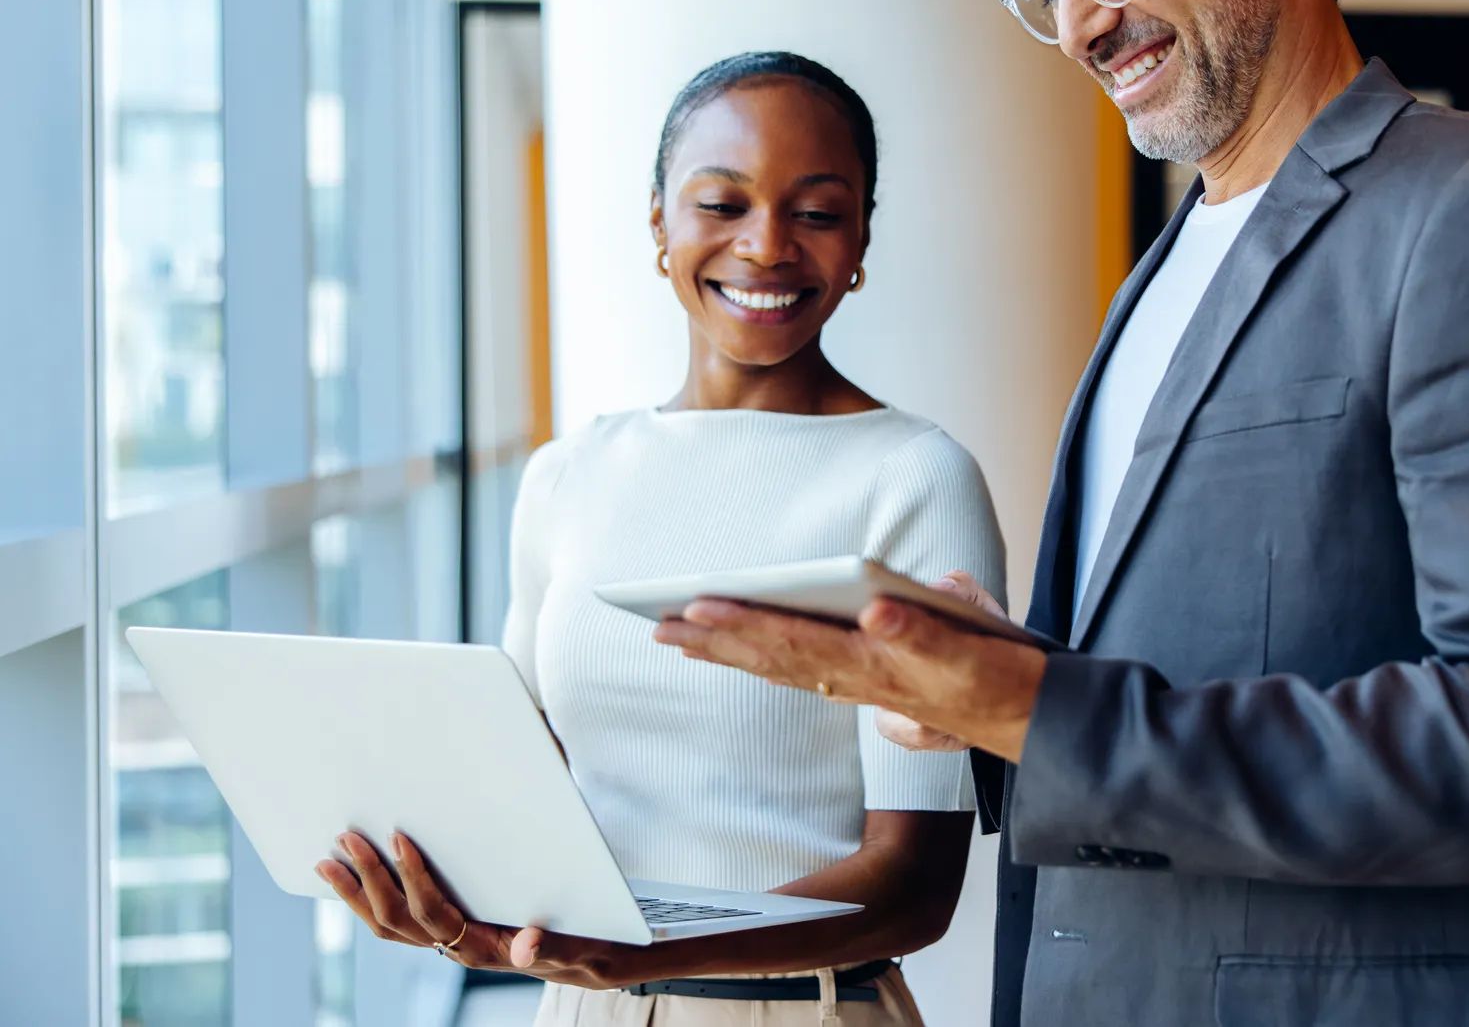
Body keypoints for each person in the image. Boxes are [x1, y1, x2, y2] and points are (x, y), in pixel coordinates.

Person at [656, 0, 1469, 1026]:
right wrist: (986, 686)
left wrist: (1047, 706)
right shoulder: (1159, 273)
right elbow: (1183, 680)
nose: (1083, 19)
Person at [316, 51, 1004, 1026]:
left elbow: (914, 885)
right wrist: (448, 905)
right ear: (659, 224)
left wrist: (654, 945)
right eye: (721, 204)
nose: (765, 246)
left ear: (858, 239)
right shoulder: (565, 473)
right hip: (579, 1005)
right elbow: (528, 782)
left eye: (814, 212)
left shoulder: (915, 475)